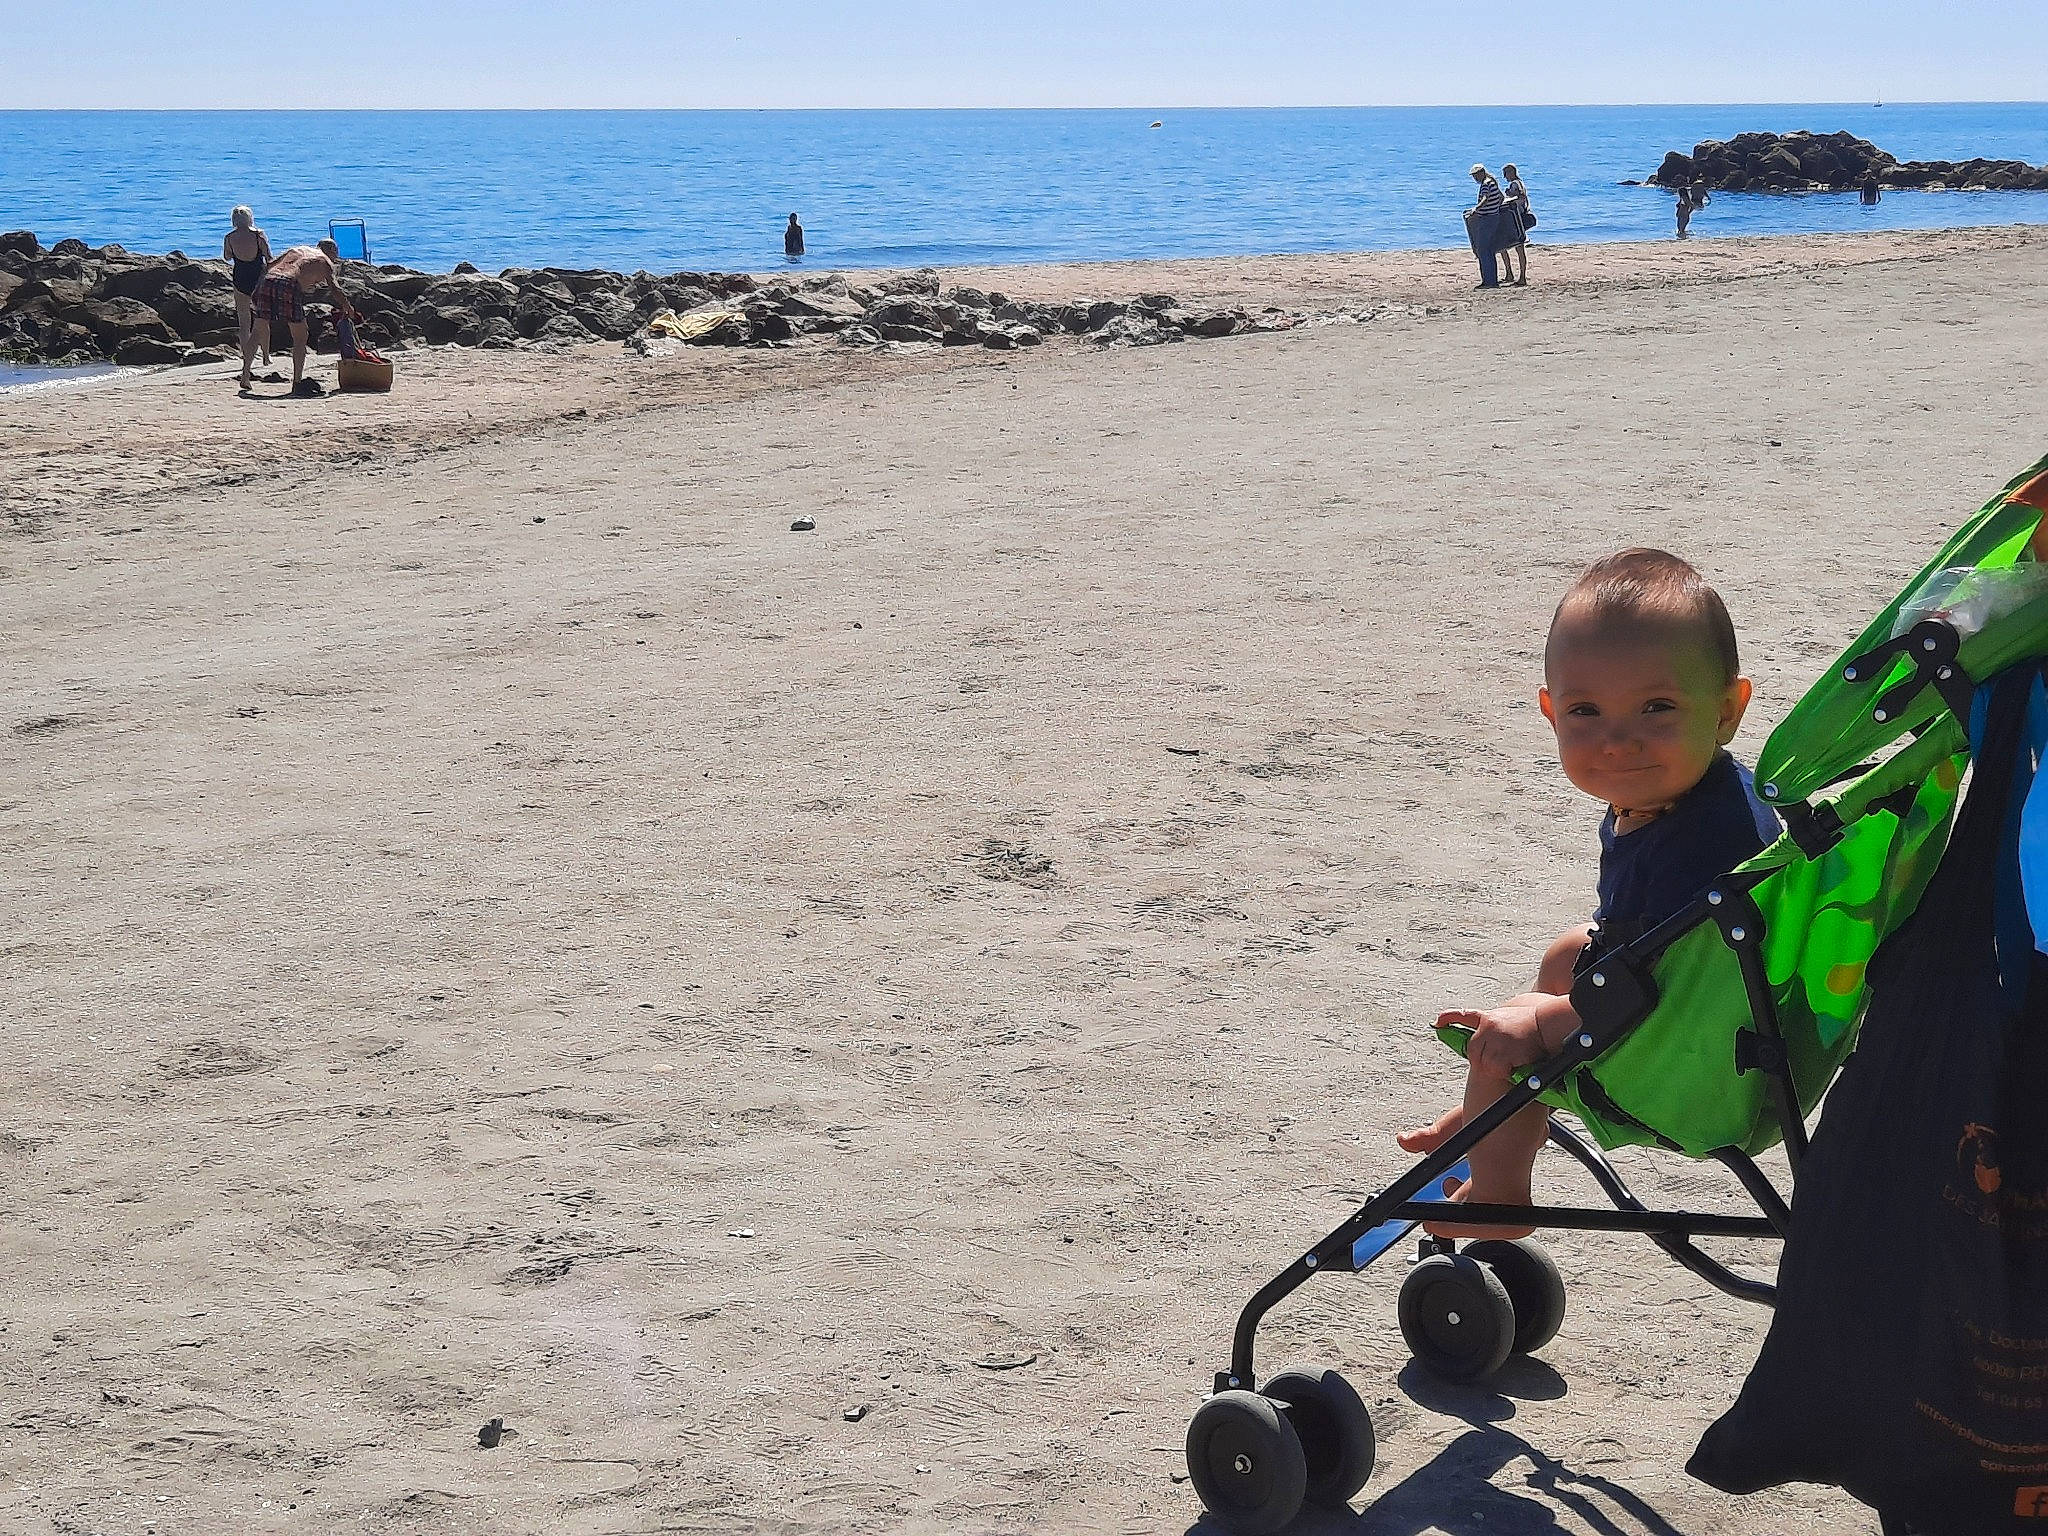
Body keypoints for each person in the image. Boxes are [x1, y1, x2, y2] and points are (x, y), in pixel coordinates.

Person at [1396, 549, 1779, 1237]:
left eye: (1657, 707)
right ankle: (1494, 1117)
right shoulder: (1702, 795)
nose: (1618, 741)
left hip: (1688, 1054)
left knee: (1504, 1034)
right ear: (1551, 713)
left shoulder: (1701, 849)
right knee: (1566, 953)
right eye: (1586, 711)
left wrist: (1532, 1028)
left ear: (1727, 710)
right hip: (1711, 1010)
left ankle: (1499, 1198)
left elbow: (1657, 989)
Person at [241, 240, 359, 396]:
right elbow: (335, 289)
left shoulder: (296, 249)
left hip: (268, 280)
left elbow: (268, 265)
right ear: (331, 250)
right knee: (300, 337)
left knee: (257, 331)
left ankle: (245, 375)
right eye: (336, 252)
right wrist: (347, 306)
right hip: (289, 283)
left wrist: (258, 290)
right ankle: (297, 382)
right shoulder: (325, 261)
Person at [223, 206, 273, 368]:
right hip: (258, 279)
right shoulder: (258, 235)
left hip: (240, 278)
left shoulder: (229, 237)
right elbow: (269, 257)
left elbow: (227, 256)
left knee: (244, 321)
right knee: (262, 319)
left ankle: (247, 358)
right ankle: (265, 355)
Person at [1465, 165, 1505, 288]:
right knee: (1488, 250)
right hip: (1492, 217)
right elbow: (1501, 197)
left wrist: (1476, 209)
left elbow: (1485, 198)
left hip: (1487, 219)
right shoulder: (1492, 183)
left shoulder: (1487, 184)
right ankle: (1491, 280)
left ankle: (1489, 281)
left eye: (1476, 175)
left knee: (1483, 250)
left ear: (1482, 173)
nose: (1475, 178)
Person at [1500, 163, 1532, 286]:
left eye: (1505, 174)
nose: (1505, 177)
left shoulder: (1516, 184)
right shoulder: (1518, 183)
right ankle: (1510, 274)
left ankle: (1520, 276)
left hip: (1517, 219)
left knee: (1518, 247)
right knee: (1512, 247)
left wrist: (1511, 194)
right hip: (1516, 218)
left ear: (1511, 172)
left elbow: (1522, 195)